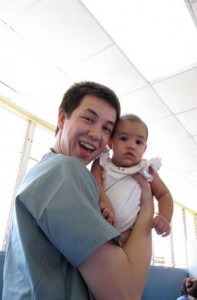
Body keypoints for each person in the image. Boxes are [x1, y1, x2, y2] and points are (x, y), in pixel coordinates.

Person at [3, 81, 154, 300]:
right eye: (88, 119)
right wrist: (148, 209)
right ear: (62, 118)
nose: (96, 134)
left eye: (107, 128)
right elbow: (125, 294)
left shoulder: (42, 173)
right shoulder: (64, 171)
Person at [91, 114, 173, 245]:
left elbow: (164, 195)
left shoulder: (146, 169)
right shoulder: (102, 162)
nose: (131, 146)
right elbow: (95, 184)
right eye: (124, 138)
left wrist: (165, 217)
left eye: (139, 142)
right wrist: (104, 201)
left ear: (144, 148)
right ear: (111, 142)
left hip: (127, 235)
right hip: (96, 226)